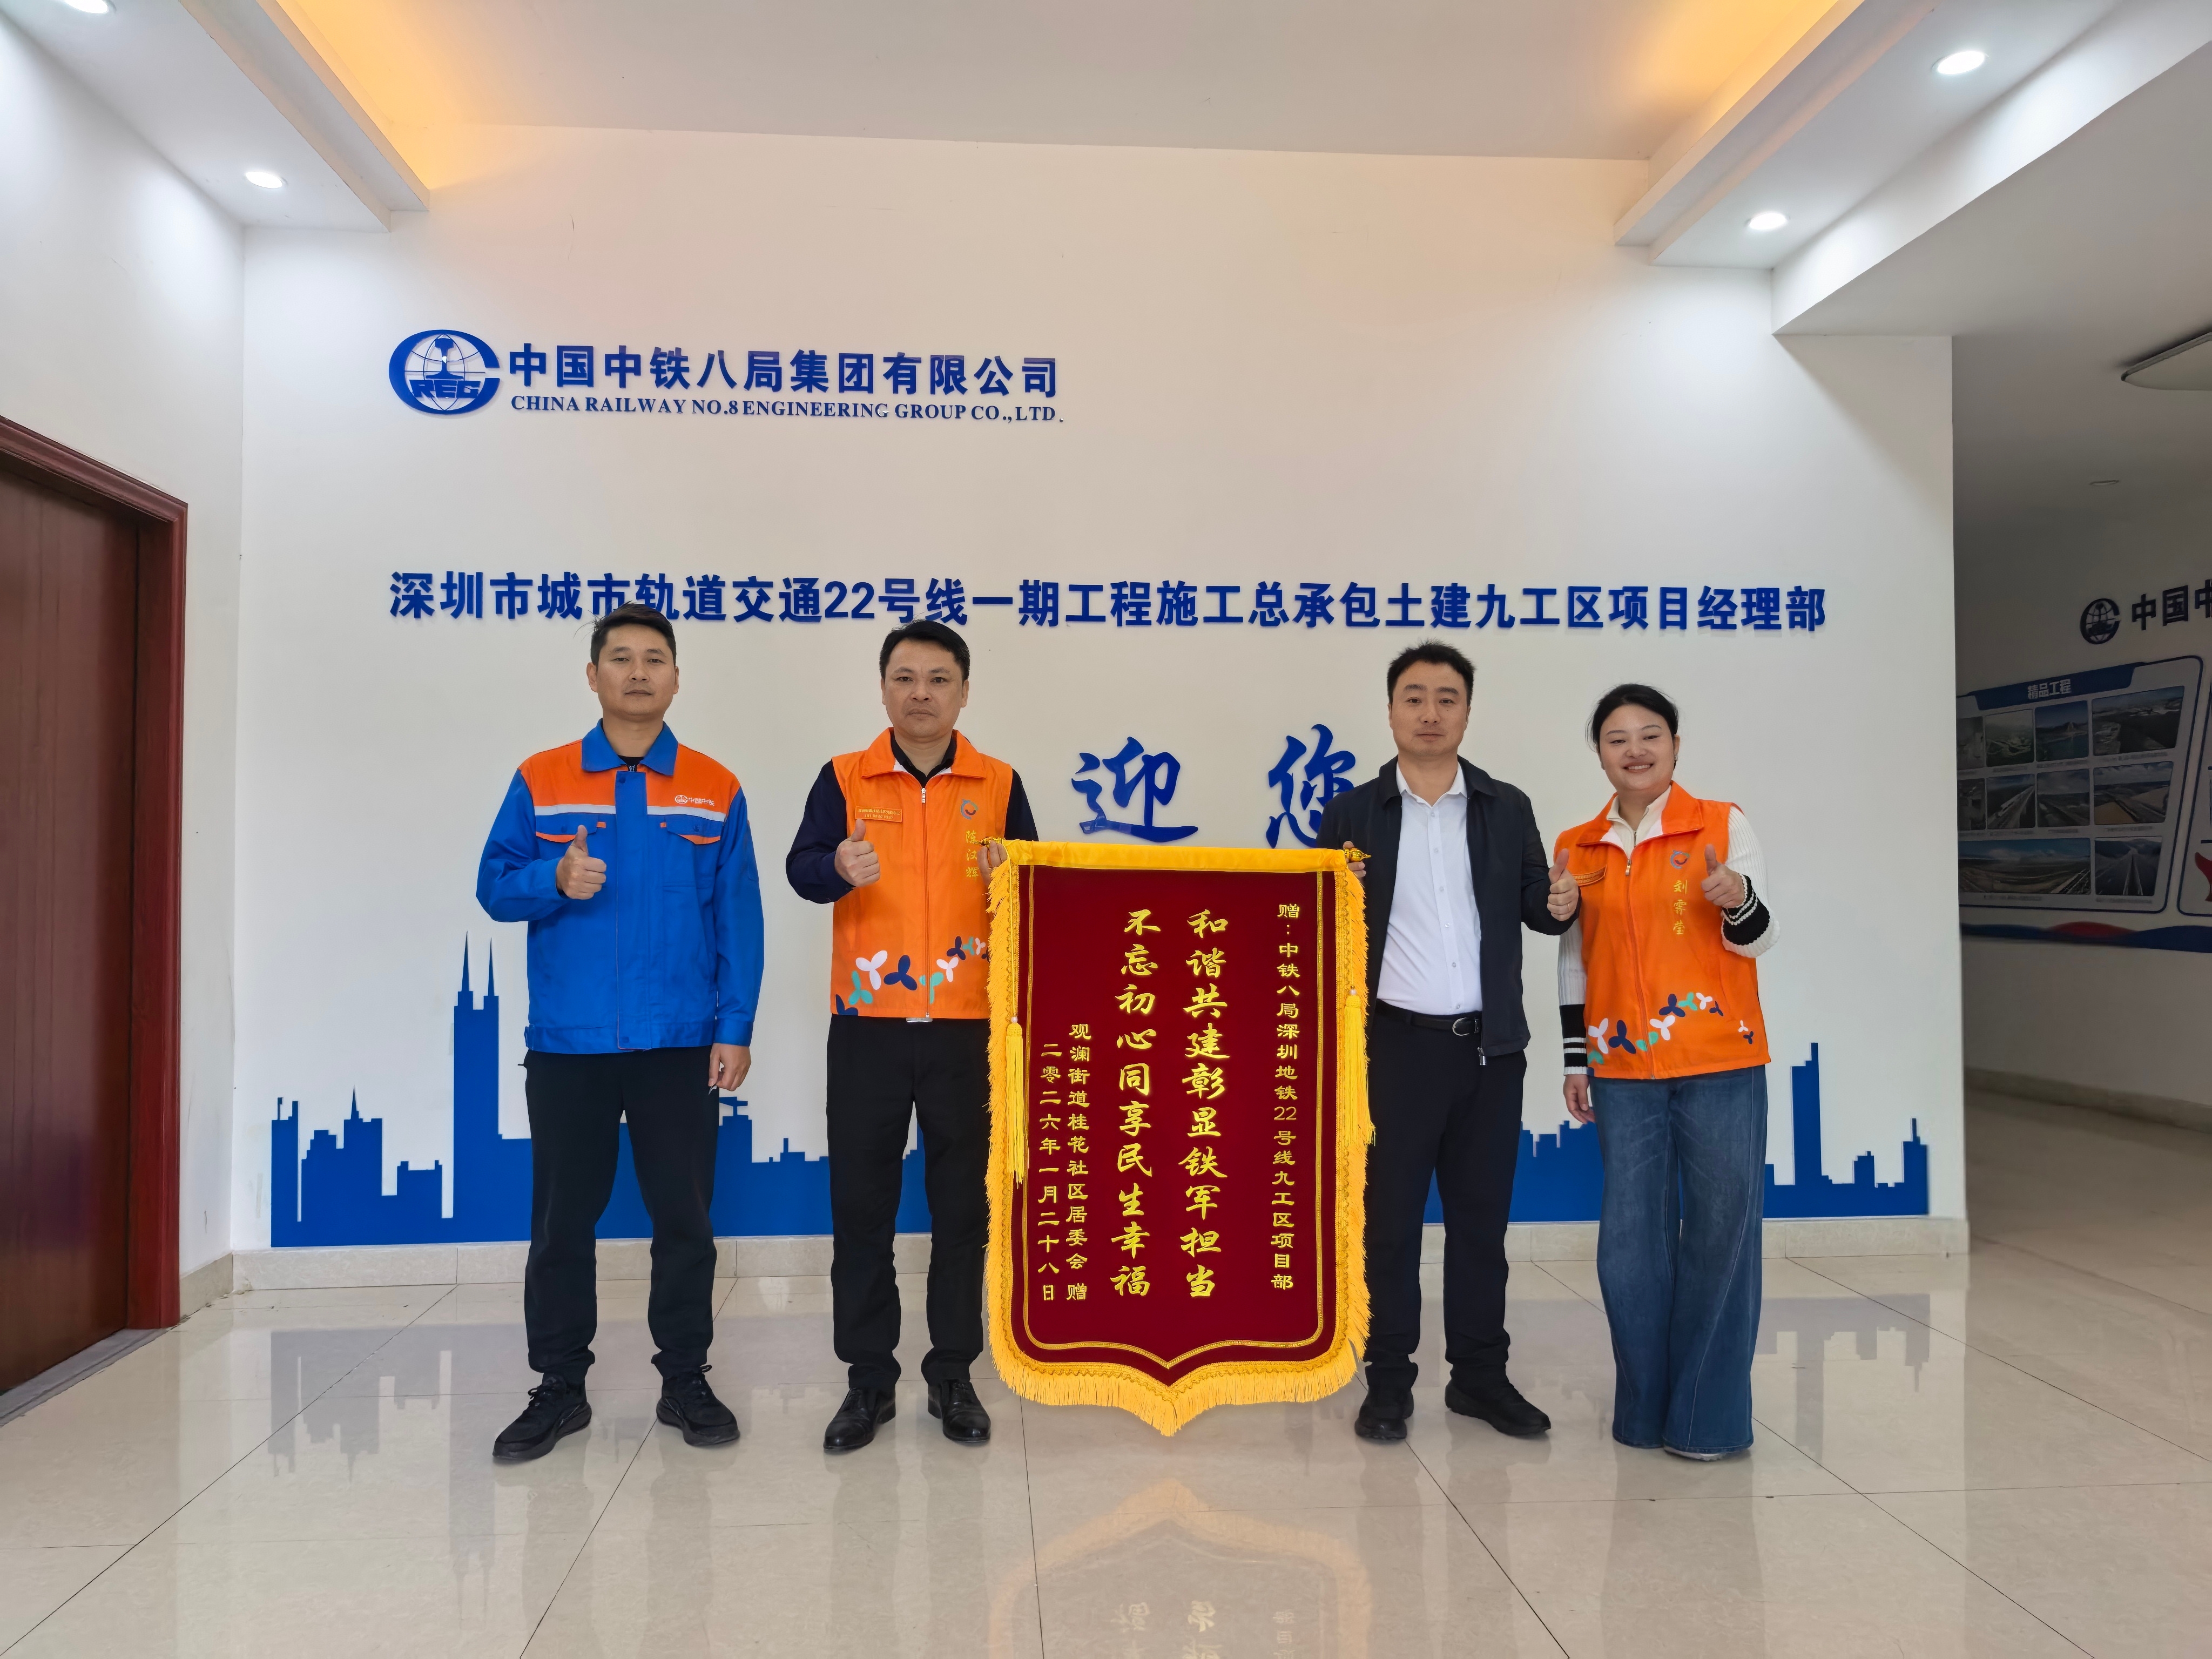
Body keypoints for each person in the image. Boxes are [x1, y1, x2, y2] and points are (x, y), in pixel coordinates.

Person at [476, 602, 764, 1461]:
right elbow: (494, 887)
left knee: (685, 1221)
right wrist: (552, 877)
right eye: (622, 658)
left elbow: (737, 919)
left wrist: (734, 1026)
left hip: (679, 1041)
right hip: (571, 1044)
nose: (639, 672)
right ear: (593, 675)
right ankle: (559, 1387)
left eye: (655, 659)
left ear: (677, 678)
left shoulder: (714, 788)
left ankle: (685, 1379)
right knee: (562, 1224)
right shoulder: (542, 779)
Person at [1318, 641, 1580, 1444]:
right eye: (1414, 697)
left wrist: (1561, 903)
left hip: (1490, 1052)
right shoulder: (1353, 813)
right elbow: (1315, 929)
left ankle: (1479, 1379)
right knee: (1390, 1225)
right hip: (1394, 1051)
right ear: (1390, 710)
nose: (1430, 713)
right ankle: (1388, 1382)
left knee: (1480, 1225)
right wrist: (1337, 898)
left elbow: (1538, 905)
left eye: (1447, 698)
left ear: (1468, 711)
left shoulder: (1507, 806)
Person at [786, 619, 1038, 1452]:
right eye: (905, 678)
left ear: (963, 692)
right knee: (863, 1208)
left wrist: (1013, 882)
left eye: (937, 679)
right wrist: (835, 868)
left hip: (968, 1028)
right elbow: (800, 869)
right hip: (870, 1027)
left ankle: (953, 1373)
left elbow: (1040, 893)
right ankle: (868, 1380)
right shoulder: (844, 777)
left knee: (963, 1210)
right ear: (884, 689)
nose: (920, 694)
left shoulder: (999, 784)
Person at [1556, 683, 1777, 1461]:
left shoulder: (1722, 822)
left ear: (1676, 746)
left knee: (1721, 1233)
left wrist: (1737, 898)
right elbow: (1574, 960)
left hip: (1720, 1060)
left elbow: (1758, 938)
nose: (1636, 750)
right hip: (1621, 1066)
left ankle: (1707, 1420)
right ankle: (1644, 1411)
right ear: (1600, 754)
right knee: (1630, 1243)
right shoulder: (1579, 846)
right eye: (1617, 738)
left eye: (1651, 735)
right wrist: (1576, 1059)